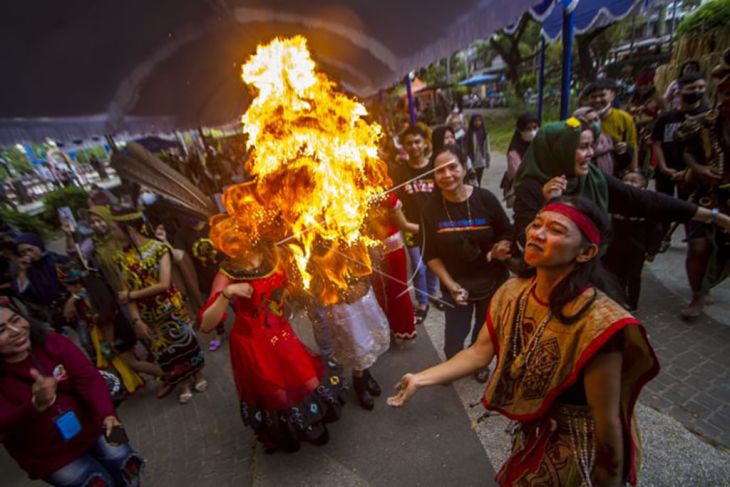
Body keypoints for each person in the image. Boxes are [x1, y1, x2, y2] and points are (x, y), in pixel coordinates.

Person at [388, 196, 659, 487]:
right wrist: (420, 378)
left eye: (556, 230)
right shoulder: (513, 292)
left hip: (581, 444)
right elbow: (479, 352)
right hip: (538, 430)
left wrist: (610, 480)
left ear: (586, 252)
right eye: (537, 223)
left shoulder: (598, 323)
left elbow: (607, 424)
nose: (537, 234)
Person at [200, 243, 346, 453]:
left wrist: (288, 290)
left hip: (281, 332)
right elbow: (206, 324)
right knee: (278, 395)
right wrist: (227, 293)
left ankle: (312, 422)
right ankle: (289, 433)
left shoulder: (272, 253)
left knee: (307, 378)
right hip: (253, 343)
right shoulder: (227, 272)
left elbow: (293, 283)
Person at [511, 118, 730, 250]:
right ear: (559, 150)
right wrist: (551, 205)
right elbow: (525, 239)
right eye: (582, 147)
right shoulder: (532, 186)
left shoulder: (592, 178)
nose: (590, 153)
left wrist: (713, 216)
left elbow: (644, 201)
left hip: (592, 268)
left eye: (591, 146)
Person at [0, 300, 143, 486]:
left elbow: (90, 379)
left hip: (97, 424)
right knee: (92, 482)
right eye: (1, 330)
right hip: (51, 458)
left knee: (126, 461)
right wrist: (33, 406)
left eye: (16, 320)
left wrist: (108, 414)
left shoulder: (54, 342)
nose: (16, 330)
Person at [421, 145, 512, 378]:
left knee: (484, 330)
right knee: (454, 334)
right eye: (440, 170)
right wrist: (450, 285)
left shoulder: (485, 198)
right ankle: (452, 366)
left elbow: (507, 231)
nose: (447, 175)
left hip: (491, 281)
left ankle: (478, 364)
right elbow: (430, 254)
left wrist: (502, 245)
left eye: (453, 167)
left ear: (464, 167)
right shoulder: (430, 209)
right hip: (455, 285)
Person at [111, 208, 206, 404]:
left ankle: (198, 375)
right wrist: (136, 320)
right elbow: (125, 295)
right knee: (164, 352)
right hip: (149, 318)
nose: (113, 233)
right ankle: (183, 383)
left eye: (115, 228)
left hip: (171, 308)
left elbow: (163, 284)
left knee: (186, 343)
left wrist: (131, 294)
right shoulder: (120, 259)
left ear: (128, 229)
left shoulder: (158, 248)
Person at [674, 50, 730, 320]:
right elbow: (687, 150)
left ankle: (709, 284)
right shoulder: (707, 121)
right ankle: (697, 294)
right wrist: (698, 169)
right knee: (698, 245)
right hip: (706, 193)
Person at [651, 71, 710, 252]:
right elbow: (657, 144)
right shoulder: (666, 118)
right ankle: (660, 239)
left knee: (691, 208)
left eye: (701, 87)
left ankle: (693, 239)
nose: (696, 91)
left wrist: (692, 171)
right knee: (663, 208)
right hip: (667, 171)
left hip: (694, 174)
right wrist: (664, 167)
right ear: (680, 91)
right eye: (691, 88)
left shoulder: (708, 117)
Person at [390, 125, 440, 323]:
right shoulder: (400, 172)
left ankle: (433, 293)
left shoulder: (434, 167)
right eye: (409, 143)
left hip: (434, 225)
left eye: (417, 141)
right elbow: (395, 202)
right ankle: (422, 302)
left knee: (434, 262)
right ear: (404, 146)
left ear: (425, 143)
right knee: (419, 266)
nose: (414, 146)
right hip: (411, 226)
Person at [602, 171, 664, 311]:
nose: (628, 183)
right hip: (616, 246)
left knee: (634, 276)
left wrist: (652, 250)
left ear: (643, 187)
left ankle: (632, 302)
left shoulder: (647, 205)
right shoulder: (615, 202)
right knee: (617, 275)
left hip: (637, 248)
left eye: (633, 180)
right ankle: (619, 299)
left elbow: (656, 230)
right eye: (625, 180)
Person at [368, 192, 418, 345]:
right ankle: (392, 330)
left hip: (388, 249)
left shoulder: (386, 196)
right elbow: (404, 225)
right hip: (370, 252)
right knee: (385, 291)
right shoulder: (344, 194)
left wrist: (432, 231)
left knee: (393, 290)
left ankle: (400, 330)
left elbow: (405, 225)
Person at [13, 233, 70, 325]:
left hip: (71, 305)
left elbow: (77, 281)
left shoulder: (57, 259)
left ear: (38, 245)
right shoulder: (28, 270)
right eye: (23, 252)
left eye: (30, 249)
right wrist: (22, 271)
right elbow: (24, 293)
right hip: (53, 314)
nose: (28, 254)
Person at [586, 79, 638, 174]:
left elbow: (632, 145)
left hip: (616, 169)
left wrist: (634, 171)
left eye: (602, 95)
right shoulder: (582, 118)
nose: (597, 100)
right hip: (589, 169)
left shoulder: (625, 118)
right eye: (593, 97)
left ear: (612, 96)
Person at [502, 112, 539, 208]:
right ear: (520, 131)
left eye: (535, 128)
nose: (532, 132)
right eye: (528, 129)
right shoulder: (514, 153)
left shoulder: (540, 146)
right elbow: (520, 175)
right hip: (524, 196)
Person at [573, 106, 616, 176]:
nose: (595, 124)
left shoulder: (607, 141)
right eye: (589, 121)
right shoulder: (574, 143)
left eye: (596, 120)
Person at [465, 114, 490, 187]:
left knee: (478, 179)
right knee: (472, 179)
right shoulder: (469, 133)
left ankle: (478, 191)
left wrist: (487, 159)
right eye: (475, 121)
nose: (477, 122)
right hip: (471, 160)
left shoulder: (483, 133)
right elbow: (466, 147)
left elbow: (487, 147)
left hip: (481, 160)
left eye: (479, 120)